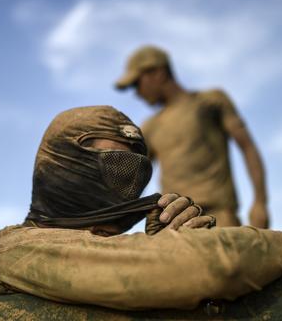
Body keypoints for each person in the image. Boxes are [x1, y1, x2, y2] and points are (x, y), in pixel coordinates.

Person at [0, 106, 282, 310]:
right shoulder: (13, 251)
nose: (127, 184)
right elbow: (215, 267)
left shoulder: (98, 254)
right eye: (115, 164)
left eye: (138, 171)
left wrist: (166, 245)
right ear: (62, 165)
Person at [115, 45, 268, 228]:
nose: (136, 93)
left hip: (219, 220)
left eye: (136, 84)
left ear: (158, 73)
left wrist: (260, 203)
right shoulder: (150, 127)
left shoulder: (209, 102)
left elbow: (247, 147)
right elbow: (131, 181)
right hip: (173, 225)